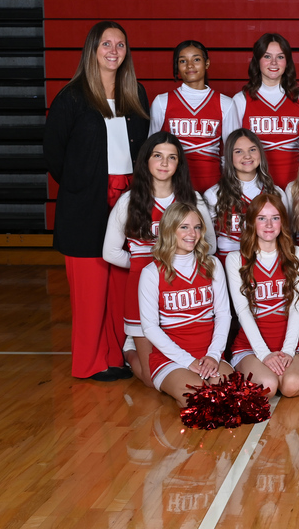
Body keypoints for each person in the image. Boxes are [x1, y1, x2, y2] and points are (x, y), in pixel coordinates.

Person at [44, 20, 149, 381]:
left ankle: (115, 357)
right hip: (85, 204)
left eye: (120, 45)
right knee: (90, 290)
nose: (113, 51)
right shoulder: (72, 97)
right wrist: (83, 185)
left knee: (120, 286)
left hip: (127, 201)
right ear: (92, 49)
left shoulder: (136, 93)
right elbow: (54, 154)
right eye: (106, 44)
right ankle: (89, 363)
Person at [103, 132, 215, 386]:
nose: (164, 163)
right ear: (146, 160)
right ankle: (129, 349)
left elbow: (210, 246)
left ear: (179, 164)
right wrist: (144, 267)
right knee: (149, 378)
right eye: (157, 156)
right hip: (141, 290)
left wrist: (179, 264)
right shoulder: (129, 200)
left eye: (171, 157)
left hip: (181, 294)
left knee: (191, 370)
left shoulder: (192, 199)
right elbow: (110, 252)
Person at [138, 202, 234, 408]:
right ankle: (131, 354)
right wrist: (188, 362)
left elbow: (223, 314)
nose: (192, 233)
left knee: (230, 398)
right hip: (171, 358)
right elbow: (150, 328)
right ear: (169, 229)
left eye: (197, 227)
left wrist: (213, 355)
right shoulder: (151, 273)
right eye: (184, 227)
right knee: (199, 401)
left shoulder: (212, 265)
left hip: (209, 352)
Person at [226, 194, 299, 398]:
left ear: (283, 222)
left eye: (275, 218)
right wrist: (264, 355)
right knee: (268, 386)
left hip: (287, 345)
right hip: (250, 347)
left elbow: (297, 307)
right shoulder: (235, 259)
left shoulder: (297, 255)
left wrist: (288, 350)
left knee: (292, 386)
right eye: (262, 218)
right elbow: (243, 311)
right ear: (251, 222)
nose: (269, 224)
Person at [227, 33, 299, 188]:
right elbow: (232, 151)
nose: (274, 62)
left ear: (287, 62)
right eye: (267, 56)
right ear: (257, 60)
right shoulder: (241, 100)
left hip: (295, 185)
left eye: (280, 57)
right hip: (255, 185)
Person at [148, 40, 234, 192]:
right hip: (173, 185)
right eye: (183, 61)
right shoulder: (162, 102)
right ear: (177, 66)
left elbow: (232, 152)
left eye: (196, 59)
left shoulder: (225, 103)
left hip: (213, 186)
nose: (189, 65)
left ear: (207, 63)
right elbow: (151, 151)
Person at [203, 129, 284, 260]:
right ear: (229, 157)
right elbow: (208, 243)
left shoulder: (276, 193)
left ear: (260, 153)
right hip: (227, 262)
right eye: (238, 151)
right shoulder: (214, 195)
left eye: (252, 149)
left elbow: (284, 237)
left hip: (266, 262)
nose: (247, 156)